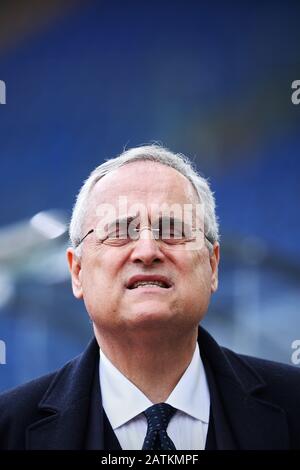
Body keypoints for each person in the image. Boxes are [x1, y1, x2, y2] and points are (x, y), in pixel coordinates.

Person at [0, 144, 299, 450]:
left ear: (212, 266)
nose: (147, 251)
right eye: (119, 232)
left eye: (173, 229)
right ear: (77, 271)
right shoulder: (8, 429)